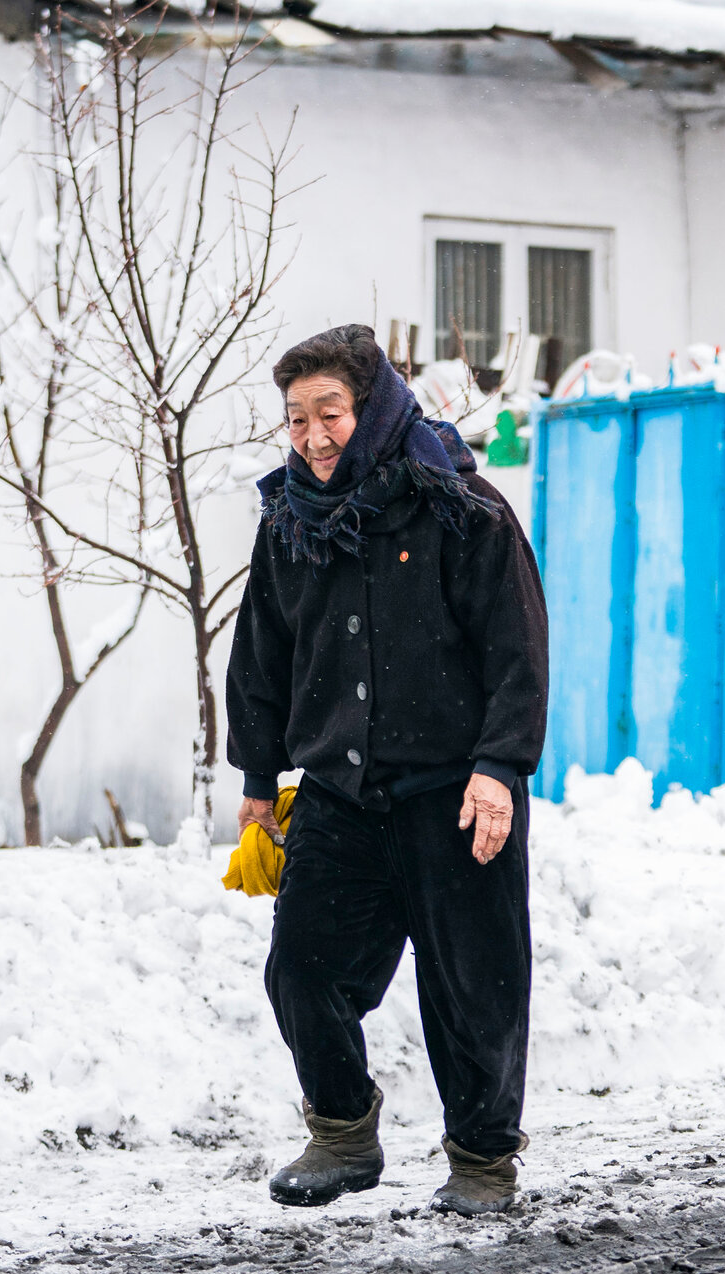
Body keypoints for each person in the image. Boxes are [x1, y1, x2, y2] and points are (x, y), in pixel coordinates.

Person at [226, 325, 550, 1217]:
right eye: (296, 419)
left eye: (329, 412)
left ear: (372, 409)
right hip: (341, 795)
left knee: (473, 987)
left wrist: (498, 768)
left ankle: (483, 1160)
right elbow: (261, 653)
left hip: (457, 794)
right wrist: (260, 782)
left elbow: (518, 648)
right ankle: (342, 1132)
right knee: (302, 968)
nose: (314, 436)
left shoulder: (461, 508)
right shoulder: (292, 521)